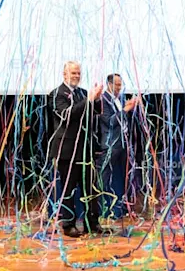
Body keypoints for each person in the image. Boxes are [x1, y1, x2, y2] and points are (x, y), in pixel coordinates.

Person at [48, 61, 103, 237]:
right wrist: (88, 100)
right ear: (64, 74)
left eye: (78, 73)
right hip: (67, 150)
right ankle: (68, 225)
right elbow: (67, 115)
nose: (77, 76)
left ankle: (92, 223)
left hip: (85, 149)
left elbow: (95, 113)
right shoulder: (56, 94)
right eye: (73, 73)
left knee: (91, 189)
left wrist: (97, 99)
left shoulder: (83, 93)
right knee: (68, 188)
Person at [96, 74, 140, 219]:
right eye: (117, 85)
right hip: (110, 145)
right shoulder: (103, 100)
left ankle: (119, 210)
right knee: (105, 179)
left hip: (122, 144)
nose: (119, 88)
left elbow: (123, 121)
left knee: (120, 178)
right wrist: (125, 110)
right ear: (109, 84)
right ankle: (103, 210)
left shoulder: (119, 100)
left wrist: (131, 109)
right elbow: (109, 121)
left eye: (120, 85)